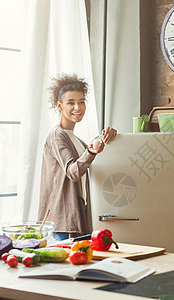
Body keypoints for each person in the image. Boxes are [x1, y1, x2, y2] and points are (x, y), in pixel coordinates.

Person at [39, 74, 117, 241]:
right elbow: (73, 171)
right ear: (59, 106)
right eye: (71, 103)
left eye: (81, 102)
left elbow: (90, 157)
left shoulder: (76, 139)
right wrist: (92, 151)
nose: (78, 107)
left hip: (77, 217)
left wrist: (109, 135)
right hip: (64, 220)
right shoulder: (56, 136)